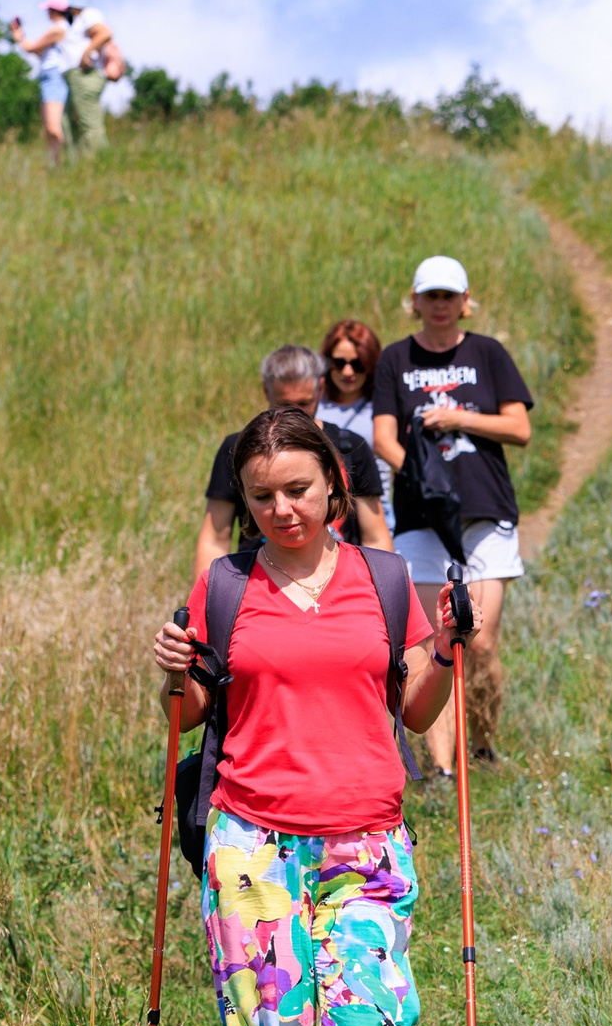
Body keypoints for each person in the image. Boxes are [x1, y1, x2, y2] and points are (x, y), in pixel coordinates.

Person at [152, 408, 468, 1026]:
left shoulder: (384, 576)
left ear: (332, 481)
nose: (282, 509)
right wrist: (174, 672)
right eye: (261, 497)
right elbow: (188, 716)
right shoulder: (223, 585)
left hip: (364, 840)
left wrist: (445, 650)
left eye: (297, 489)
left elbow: (415, 709)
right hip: (250, 844)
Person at [371, 255, 534, 779]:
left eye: (449, 296)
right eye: (431, 296)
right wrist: (418, 478)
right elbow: (383, 437)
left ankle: (481, 744)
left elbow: (519, 427)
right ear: (415, 301)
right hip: (422, 517)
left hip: (485, 509)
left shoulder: (487, 353)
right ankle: (442, 767)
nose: (440, 306)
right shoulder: (396, 359)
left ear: (465, 301)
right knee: (429, 641)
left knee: (481, 641)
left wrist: (459, 417)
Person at [197, 346, 391, 580]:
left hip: (340, 580)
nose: (294, 414)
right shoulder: (239, 448)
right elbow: (215, 537)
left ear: (320, 388)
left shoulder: (351, 446)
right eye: (284, 404)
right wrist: (206, 605)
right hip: (258, 582)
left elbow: (375, 536)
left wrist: (381, 591)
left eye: (304, 404)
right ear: (266, 391)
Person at [316, 319, 391, 527]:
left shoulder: (383, 407)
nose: (348, 372)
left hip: (375, 510)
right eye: (339, 363)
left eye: (357, 365)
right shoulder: (313, 404)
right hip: (326, 514)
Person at [8, 0, 85, 167]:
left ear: (55, 10)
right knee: (49, 129)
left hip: (54, 77)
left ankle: (67, 163)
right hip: (48, 76)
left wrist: (19, 36)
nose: (46, 13)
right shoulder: (58, 28)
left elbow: (31, 48)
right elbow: (38, 52)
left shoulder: (58, 28)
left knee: (53, 128)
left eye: (48, 10)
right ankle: (56, 165)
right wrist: (22, 37)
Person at [61, 8, 126, 156]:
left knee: (89, 124)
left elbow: (105, 33)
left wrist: (86, 53)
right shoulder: (79, 19)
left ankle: (102, 164)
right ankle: (78, 165)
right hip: (77, 76)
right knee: (68, 122)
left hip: (85, 76)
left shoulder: (88, 14)